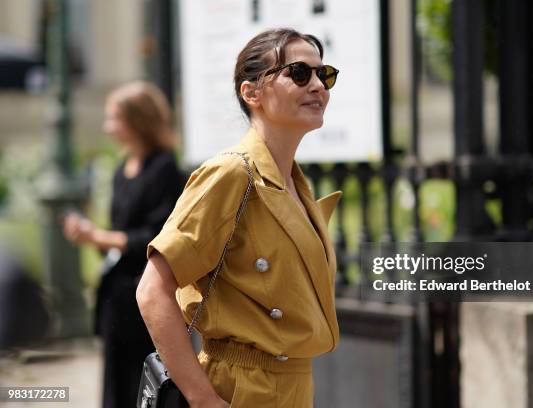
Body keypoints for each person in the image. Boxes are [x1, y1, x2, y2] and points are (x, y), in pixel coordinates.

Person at [136, 28, 342, 407]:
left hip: (295, 387)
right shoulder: (232, 174)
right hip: (239, 389)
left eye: (323, 74)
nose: (317, 86)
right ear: (252, 93)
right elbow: (152, 291)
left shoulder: (296, 184)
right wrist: (202, 399)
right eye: (299, 73)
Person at [62, 81, 185, 408]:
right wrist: (90, 235)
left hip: (147, 294)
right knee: (114, 383)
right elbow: (119, 236)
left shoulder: (165, 169)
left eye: (114, 118)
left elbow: (158, 238)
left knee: (142, 383)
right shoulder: (121, 170)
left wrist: (98, 236)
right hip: (117, 294)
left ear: (137, 120)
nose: (108, 127)